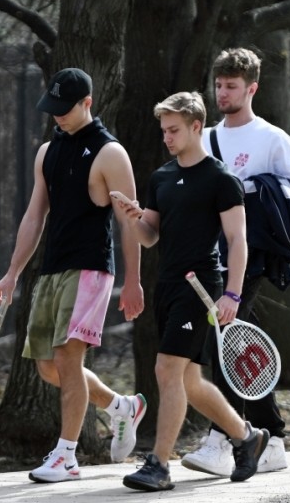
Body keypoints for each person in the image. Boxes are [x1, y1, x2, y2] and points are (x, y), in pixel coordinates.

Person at [0, 67, 146, 484]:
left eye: (65, 108)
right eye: (52, 108)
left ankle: (67, 455)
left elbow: (130, 221)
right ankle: (121, 408)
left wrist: (133, 281)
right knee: (48, 368)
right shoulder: (48, 152)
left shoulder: (110, 153)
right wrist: (12, 274)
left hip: (91, 268)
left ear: (87, 103)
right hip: (52, 268)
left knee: (68, 357)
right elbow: (34, 216)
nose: (57, 115)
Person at [110, 91, 269, 492]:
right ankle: (247, 437)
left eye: (174, 130)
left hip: (200, 288)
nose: (167, 137)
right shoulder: (162, 177)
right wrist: (133, 219)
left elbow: (237, 241)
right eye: (164, 130)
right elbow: (150, 237)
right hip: (168, 286)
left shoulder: (221, 179)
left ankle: (159, 464)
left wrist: (231, 295)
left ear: (196, 127)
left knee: (166, 370)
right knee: (190, 382)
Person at [181, 47, 290, 477]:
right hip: (210, 256)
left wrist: (262, 199)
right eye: (218, 85)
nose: (222, 93)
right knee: (237, 341)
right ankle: (270, 436)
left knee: (226, 332)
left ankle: (223, 438)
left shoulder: (273, 139)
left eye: (231, 86)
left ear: (252, 88)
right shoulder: (205, 139)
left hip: (252, 255)